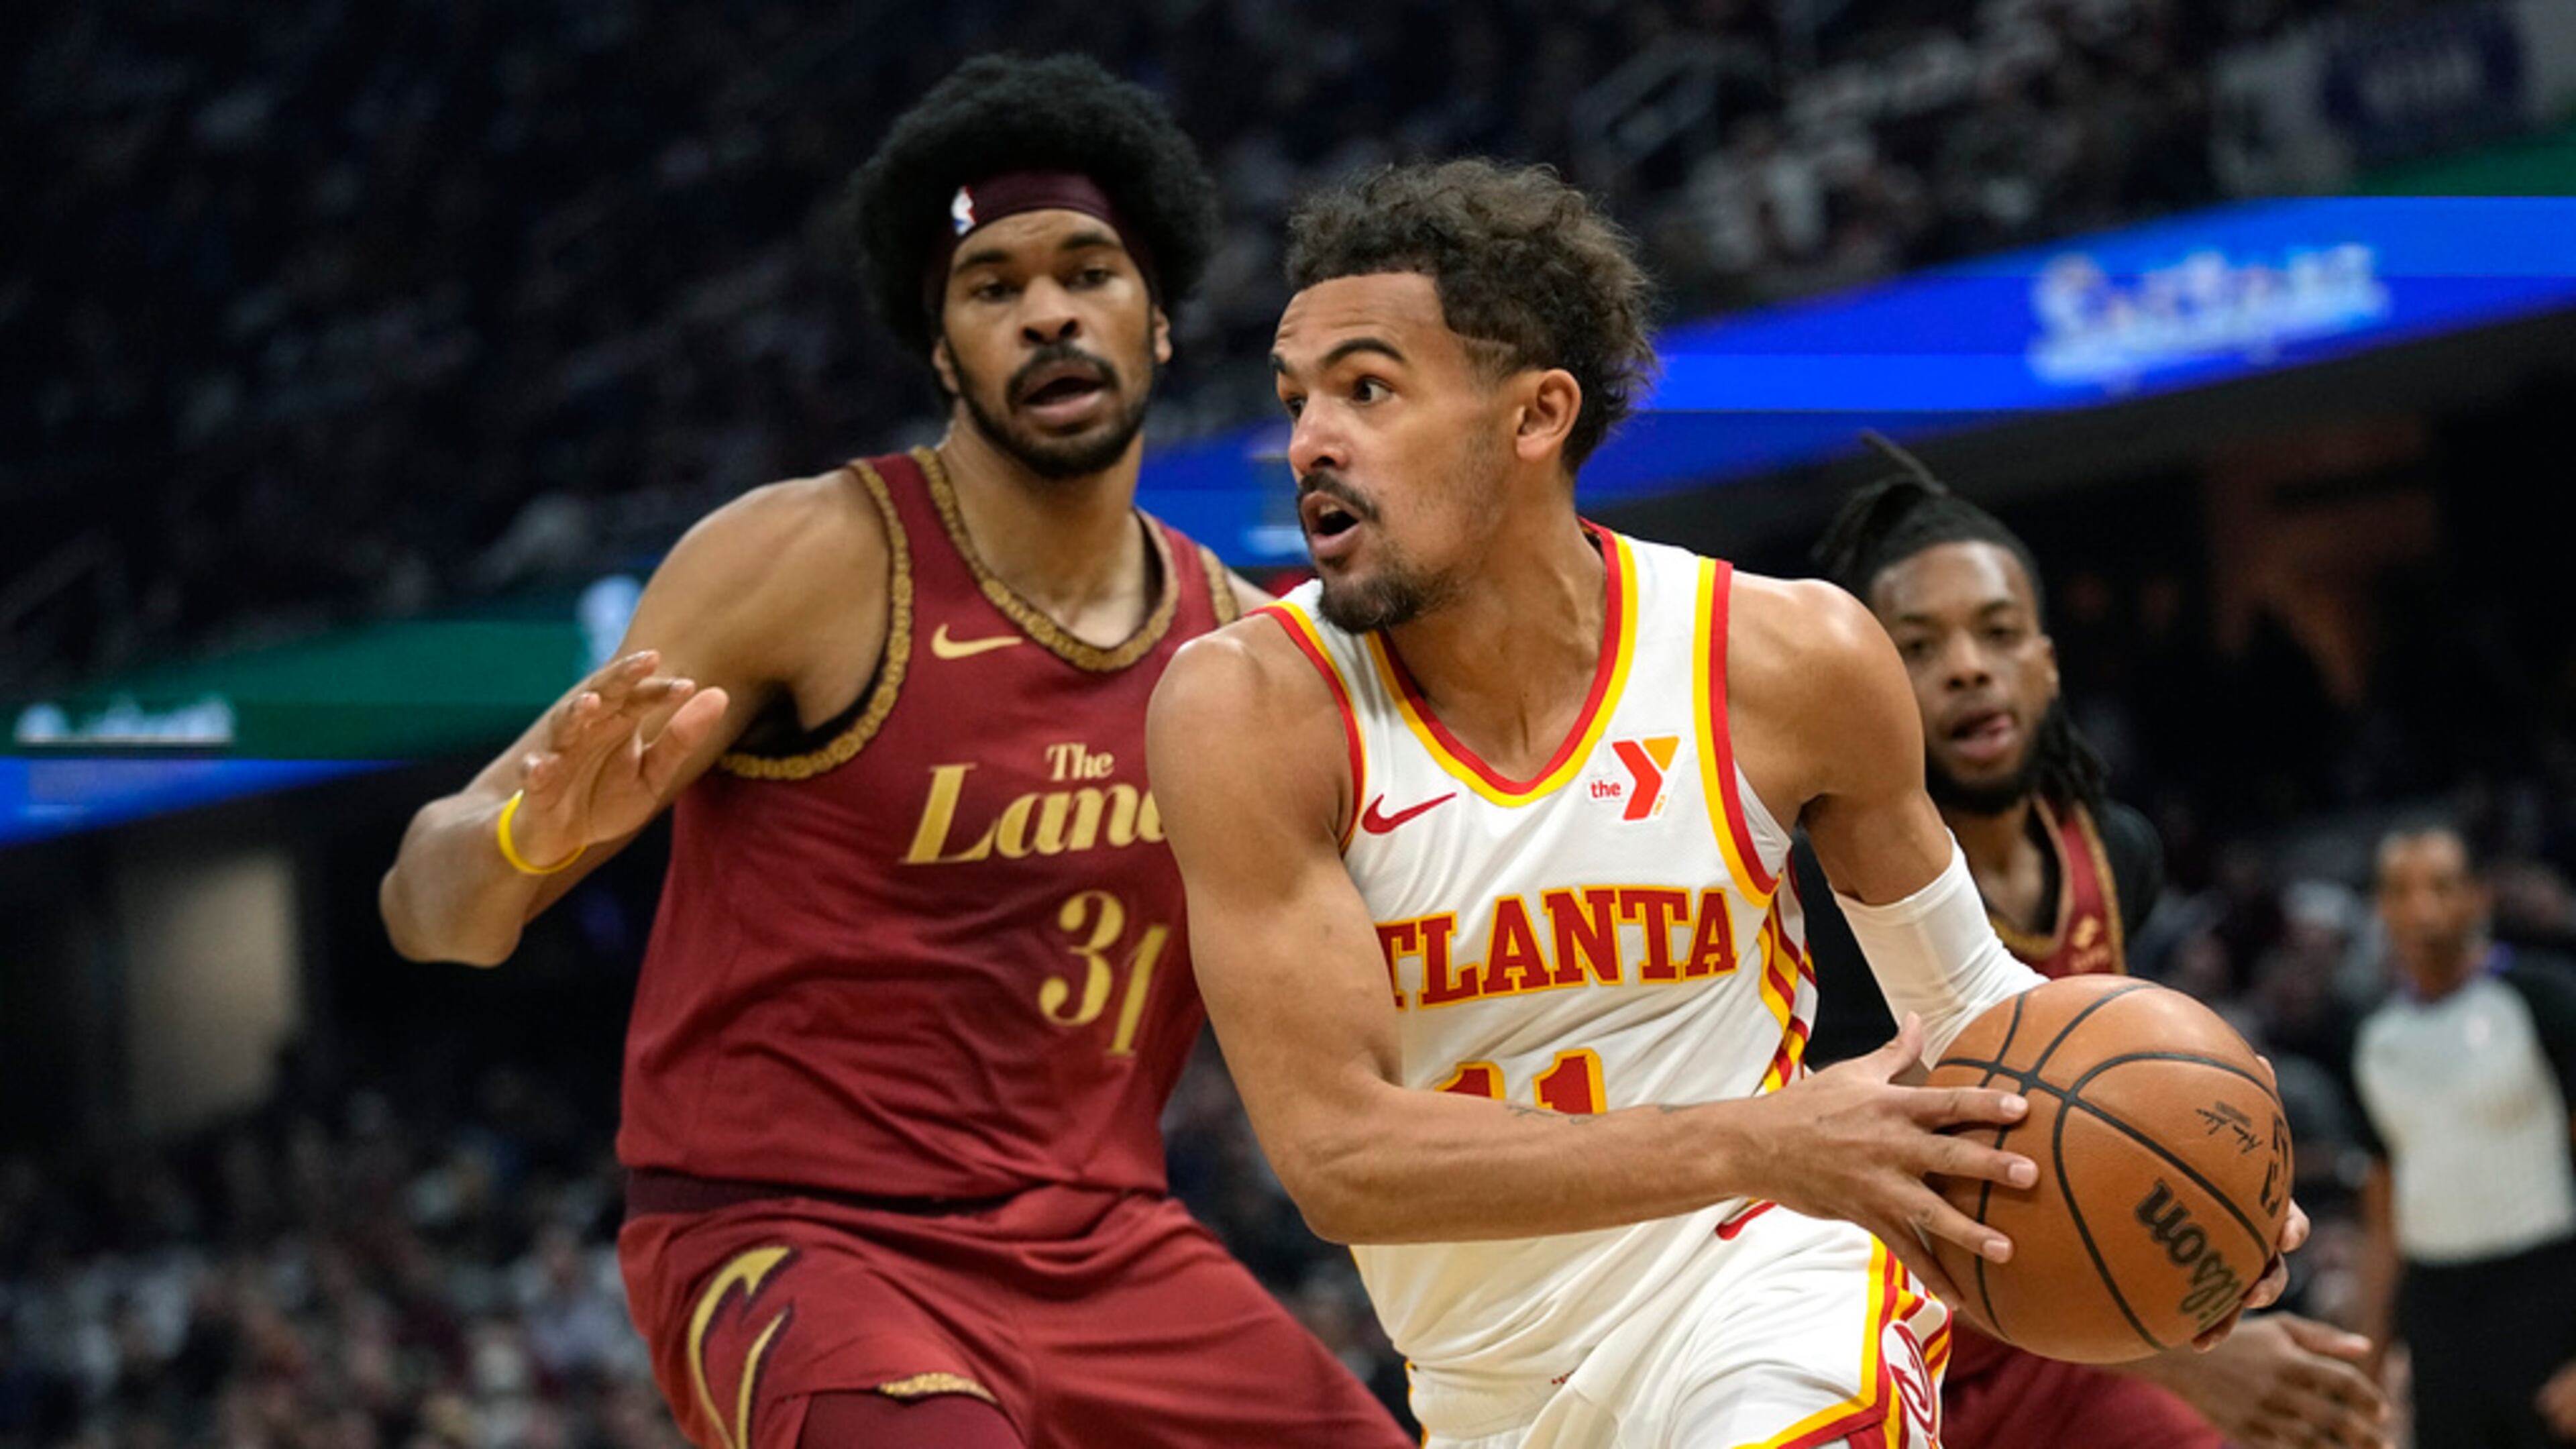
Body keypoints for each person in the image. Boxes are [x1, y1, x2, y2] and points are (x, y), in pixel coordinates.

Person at [1148, 158, 2298, 1449]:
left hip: (1778, 1297)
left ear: (1535, 417)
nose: (1310, 439)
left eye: (1368, 389)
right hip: (1485, 1390)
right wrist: (1762, 1140)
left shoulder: (1785, 657)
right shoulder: (1247, 709)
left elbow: (1971, 1014)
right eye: (1297, 399)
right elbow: (1339, 1160)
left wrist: (2189, 1183)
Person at [378, 54, 1410, 1449]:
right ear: (940, 347)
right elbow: (430, 915)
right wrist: (520, 845)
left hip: (1107, 1250)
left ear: (1159, 321)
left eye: (1088, 271)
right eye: (992, 287)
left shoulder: (1242, 646)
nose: (1046, 311)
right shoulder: (806, 560)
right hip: (794, 1243)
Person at [1797, 453, 2390, 1449]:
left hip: (2060, 1343)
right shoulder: (1821, 897)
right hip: (1870, 1340)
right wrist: (2171, 1346)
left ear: (2046, 660)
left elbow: (2124, 1125)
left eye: (1997, 633)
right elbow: (1848, 1204)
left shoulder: (2116, 854)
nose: (1967, 666)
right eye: (1918, 644)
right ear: (1871, 686)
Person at [2355, 822, 2576, 1449]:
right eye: (2399, 889)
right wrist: (2367, 1368)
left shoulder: (2542, 997)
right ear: (2381, 907)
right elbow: (2381, 1220)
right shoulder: (2373, 1039)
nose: (2420, 908)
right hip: (2436, 1313)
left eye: (2442, 886)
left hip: (2546, 1292)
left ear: (2479, 897)